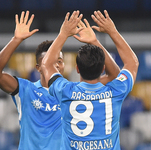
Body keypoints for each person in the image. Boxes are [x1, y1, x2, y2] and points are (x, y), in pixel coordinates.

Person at [0, 10, 119, 150]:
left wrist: (94, 42)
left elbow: (114, 77)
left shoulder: (73, 91)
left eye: (60, 61)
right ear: (39, 67)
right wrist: (16, 40)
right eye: (51, 61)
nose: (56, 65)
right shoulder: (25, 89)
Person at [41, 10, 139, 150]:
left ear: (77, 69)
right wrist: (111, 32)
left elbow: (46, 64)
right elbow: (132, 63)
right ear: (103, 68)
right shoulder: (116, 91)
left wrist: (63, 34)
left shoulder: (65, 91)